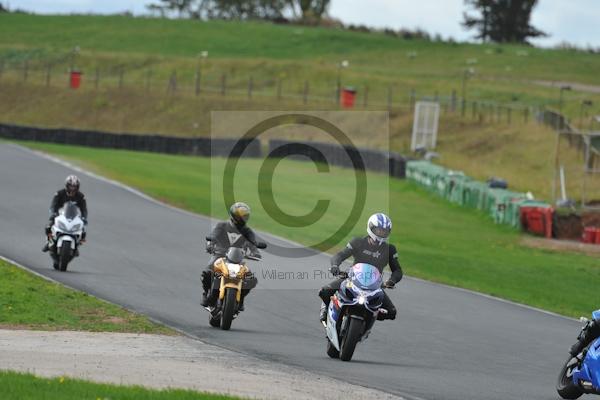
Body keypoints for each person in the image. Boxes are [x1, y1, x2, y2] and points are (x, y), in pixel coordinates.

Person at [318, 213, 402, 322]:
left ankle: (368, 317)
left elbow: (397, 270)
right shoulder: (358, 242)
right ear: (371, 228)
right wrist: (335, 266)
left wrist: (392, 281)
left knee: (391, 312)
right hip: (351, 279)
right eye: (379, 230)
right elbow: (339, 255)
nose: (381, 233)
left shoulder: (390, 249)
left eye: (384, 231)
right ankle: (327, 307)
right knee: (324, 291)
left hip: (375, 286)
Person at [202, 202, 259, 311]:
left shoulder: (247, 231)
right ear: (234, 215)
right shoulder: (222, 225)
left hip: (237, 260)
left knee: (251, 279)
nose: (243, 218)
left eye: (245, 216)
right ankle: (206, 294)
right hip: (220, 255)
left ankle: (240, 299)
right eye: (241, 216)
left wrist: (255, 251)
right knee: (208, 271)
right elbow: (213, 235)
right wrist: (211, 243)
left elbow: (253, 243)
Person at [42, 175, 88, 254]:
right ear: (67, 185)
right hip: (59, 215)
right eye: (71, 186)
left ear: (78, 187)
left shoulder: (81, 196)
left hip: (74, 216)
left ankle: (76, 246)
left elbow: (84, 209)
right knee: (48, 227)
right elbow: (53, 205)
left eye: (74, 186)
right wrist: (53, 213)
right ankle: (49, 242)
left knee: (83, 230)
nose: (72, 188)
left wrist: (84, 218)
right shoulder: (59, 193)